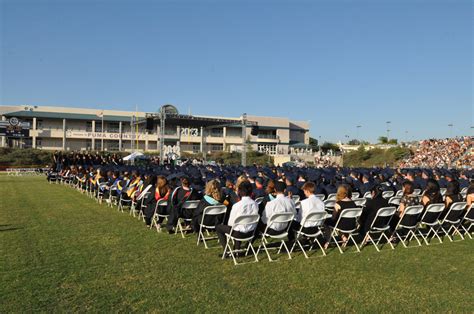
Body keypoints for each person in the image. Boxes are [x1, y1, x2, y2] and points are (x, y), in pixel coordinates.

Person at [216, 181, 259, 252]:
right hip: (251, 232)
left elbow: (231, 224)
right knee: (238, 225)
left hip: (238, 233)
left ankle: (226, 251)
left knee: (219, 227)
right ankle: (237, 248)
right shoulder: (255, 204)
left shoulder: (237, 206)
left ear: (239, 192)